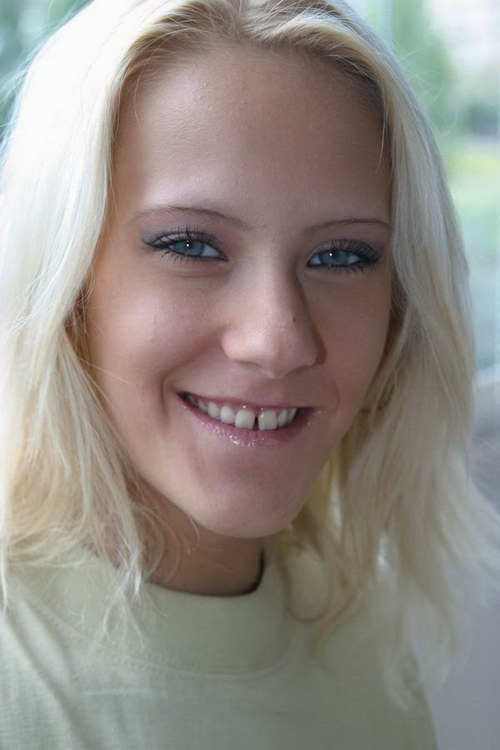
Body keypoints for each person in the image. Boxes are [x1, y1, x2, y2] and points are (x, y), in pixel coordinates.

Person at [0, 0, 499, 747]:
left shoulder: (364, 640)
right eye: (191, 245)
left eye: (340, 256)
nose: (276, 341)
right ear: (66, 282)